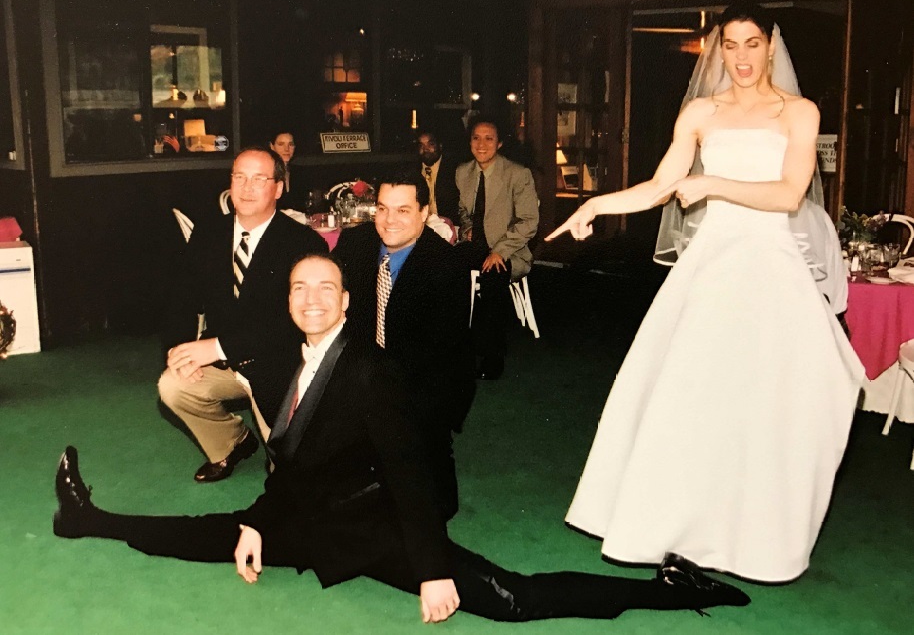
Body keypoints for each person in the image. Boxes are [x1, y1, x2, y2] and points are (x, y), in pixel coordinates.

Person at [53, 254, 750, 624]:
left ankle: (673, 590)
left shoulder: (369, 370)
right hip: (309, 514)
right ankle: (84, 518)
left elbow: (410, 474)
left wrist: (432, 567)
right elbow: (287, 466)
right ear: (290, 301)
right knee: (211, 533)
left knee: (510, 600)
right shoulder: (286, 362)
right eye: (302, 289)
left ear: (347, 302)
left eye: (327, 288)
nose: (314, 299)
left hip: (374, 523)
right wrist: (260, 522)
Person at [547, 2, 865, 583]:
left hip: (770, 266)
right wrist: (596, 203)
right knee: (692, 399)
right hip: (713, 265)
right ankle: (677, 529)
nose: (741, 58)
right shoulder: (700, 112)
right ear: (718, 48)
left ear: (771, 45)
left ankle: (758, 540)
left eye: (752, 43)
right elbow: (660, 186)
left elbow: (790, 194)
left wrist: (712, 181)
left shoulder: (799, 112)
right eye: (730, 45)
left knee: (785, 400)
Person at [159, 146, 328, 483]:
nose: (247, 188)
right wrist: (178, 349)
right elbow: (181, 297)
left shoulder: (303, 244)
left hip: (281, 368)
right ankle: (232, 443)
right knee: (172, 385)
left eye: (259, 179)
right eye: (240, 178)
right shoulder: (209, 232)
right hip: (225, 363)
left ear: (278, 188)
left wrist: (218, 347)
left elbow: (295, 327)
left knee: (292, 479)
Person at [333, 171, 474, 521]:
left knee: (428, 507)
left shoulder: (445, 264)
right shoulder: (355, 245)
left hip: (422, 382)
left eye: (403, 211)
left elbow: (443, 353)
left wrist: (385, 396)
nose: (389, 221)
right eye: (382, 209)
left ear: (424, 213)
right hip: (363, 370)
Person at [456, 117, 539, 380]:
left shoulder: (517, 174)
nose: (481, 144)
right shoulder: (462, 172)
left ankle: (493, 357)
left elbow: (529, 222)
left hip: (510, 249)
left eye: (489, 138)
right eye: (476, 138)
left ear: (500, 143)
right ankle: (454, 348)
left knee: (492, 278)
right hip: (476, 245)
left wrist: (499, 251)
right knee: (442, 267)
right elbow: (462, 211)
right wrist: (466, 228)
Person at [417, 130, 460, 224]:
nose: (425, 149)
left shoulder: (454, 170)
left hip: (448, 225)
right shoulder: (413, 171)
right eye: (421, 145)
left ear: (439, 146)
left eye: (430, 144)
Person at [268, 130, 310, 211]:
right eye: (281, 144)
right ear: (272, 146)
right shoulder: (266, 172)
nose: (286, 149)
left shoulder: (299, 172)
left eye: (291, 144)